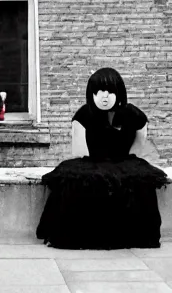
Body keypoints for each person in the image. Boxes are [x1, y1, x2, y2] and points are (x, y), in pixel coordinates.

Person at [36, 67, 168, 249]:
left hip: (124, 162)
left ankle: (131, 235)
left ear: (118, 92)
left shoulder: (133, 114)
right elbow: (80, 151)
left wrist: (130, 158)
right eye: (98, 92)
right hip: (92, 162)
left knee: (139, 184)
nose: (104, 97)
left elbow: (139, 141)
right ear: (91, 94)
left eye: (110, 92)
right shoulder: (83, 115)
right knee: (76, 183)